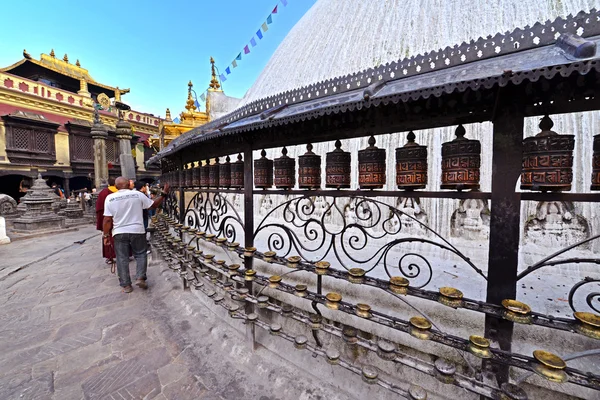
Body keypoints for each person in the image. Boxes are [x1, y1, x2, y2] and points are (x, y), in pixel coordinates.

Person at [103, 177, 170, 293]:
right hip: (137, 230)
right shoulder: (137, 195)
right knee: (140, 254)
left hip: (119, 232)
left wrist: (105, 235)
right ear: (128, 185)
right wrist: (163, 194)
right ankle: (140, 277)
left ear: (116, 186)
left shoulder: (110, 198)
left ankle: (126, 285)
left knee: (122, 258)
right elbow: (153, 205)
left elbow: (107, 220)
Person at [96, 178, 118, 264]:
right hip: (119, 218)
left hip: (107, 218)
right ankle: (127, 254)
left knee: (108, 236)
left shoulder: (104, 193)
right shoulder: (121, 192)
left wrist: (101, 222)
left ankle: (110, 257)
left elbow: (99, 209)